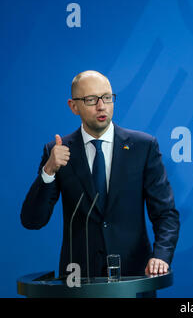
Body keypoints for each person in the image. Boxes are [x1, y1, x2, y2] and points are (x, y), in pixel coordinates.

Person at [21, 70, 180, 280]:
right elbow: (32, 221)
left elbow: (165, 214)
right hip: (78, 279)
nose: (101, 106)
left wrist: (161, 256)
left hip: (133, 276)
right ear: (73, 106)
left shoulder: (143, 147)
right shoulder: (57, 151)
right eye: (90, 99)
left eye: (106, 97)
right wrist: (48, 171)